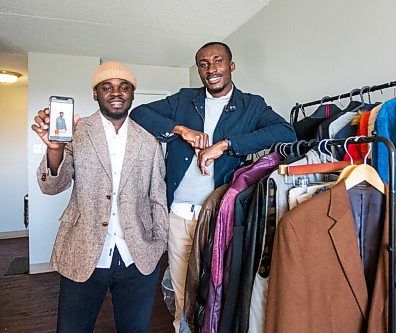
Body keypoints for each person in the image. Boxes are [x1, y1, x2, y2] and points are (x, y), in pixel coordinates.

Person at [130, 41, 296, 332]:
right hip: (180, 213)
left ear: (231, 66)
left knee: (219, 282)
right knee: (183, 283)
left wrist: (227, 145)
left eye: (218, 61)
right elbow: (139, 114)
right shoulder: (184, 100)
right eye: (204, 64)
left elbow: (286, 132)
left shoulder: (251, 105)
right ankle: (183, 327)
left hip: (221, 213)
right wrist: (181, 130)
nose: (211, 69)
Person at [31, 61, 169, 333]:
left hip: (137, 258)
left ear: (132, 94)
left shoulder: (150, 142)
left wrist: (158, 244)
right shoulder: (76, 133)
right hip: (83, 253)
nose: (116, 92)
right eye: (107, 87)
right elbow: (51, 187)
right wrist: (55, 150)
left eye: (124, 87)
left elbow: (158, 198)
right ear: (96, 94)